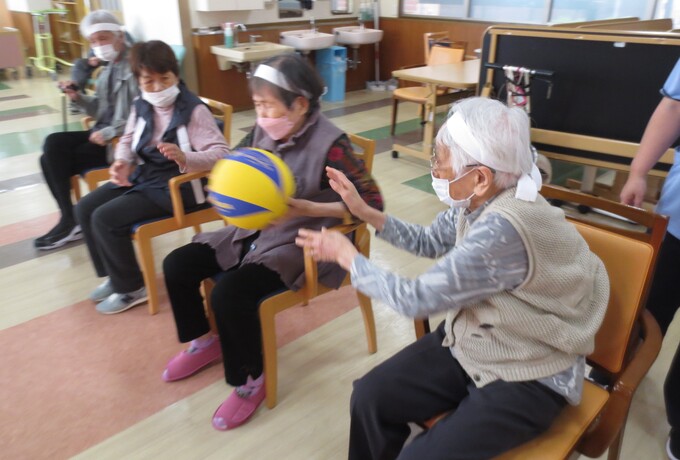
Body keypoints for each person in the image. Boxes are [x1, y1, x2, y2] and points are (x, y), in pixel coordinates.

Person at [296, 97, 610, 460]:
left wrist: (348, 257)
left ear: (479, 177)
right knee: (370, 396)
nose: (436, 169)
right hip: (476, 340)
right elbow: (428, 241)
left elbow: (415, 300)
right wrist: (364, 212)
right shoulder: (474, 201)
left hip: (530, 371)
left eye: (440, 159)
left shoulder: (503, 229)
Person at [160, 53, 383, 431]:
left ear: (299, 104)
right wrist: (198, 168)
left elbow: (371, 207)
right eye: (258, 104)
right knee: (177, 264)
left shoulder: (333, 146)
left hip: (302, 244)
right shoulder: (266, 129)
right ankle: (205, 340)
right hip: (253, 231)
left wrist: (305, 208)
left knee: (229, 294)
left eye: (267, 105)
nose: (261, 113)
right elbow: (232, 162)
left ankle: (250, 381)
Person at [74, 40, 229, 314]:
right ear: (138, 80)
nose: (157, 88)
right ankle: (115, 275)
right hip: (146, 175)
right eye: (148, 81)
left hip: (177, 187)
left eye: (164, 79)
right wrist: (122, 161)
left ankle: (131, 288)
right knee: (86, 208)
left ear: (176, 75)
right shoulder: (140, 104)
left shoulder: (194, 111)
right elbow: (129, 137)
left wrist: (185, 157)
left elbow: (221, 153)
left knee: (105, 218)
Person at [35, 10, 139, 250]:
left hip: (120, 143)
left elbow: (139, 117)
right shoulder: (109, 68)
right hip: (101, 133)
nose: (98, 46)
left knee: (53, 157)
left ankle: (70, 220)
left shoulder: (134, 69)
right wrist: (77, 97)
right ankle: (68, 217)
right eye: (93, 41)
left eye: (103, 38)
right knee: (52, 146)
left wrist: (109, 133)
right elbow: (99, 107)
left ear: (119, 37)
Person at [620, 57, 680, 460]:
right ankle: (614, 374)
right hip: (678, 222)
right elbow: (674, 106)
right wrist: (639, 170)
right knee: (647, 309)